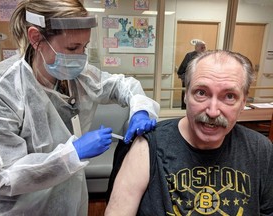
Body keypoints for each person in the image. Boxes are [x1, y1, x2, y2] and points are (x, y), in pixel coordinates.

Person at [0, 0, 160, 215]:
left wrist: (140, 109)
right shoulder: (0, 90)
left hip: (69, 201)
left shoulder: (77, 76)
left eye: (84, 47)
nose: (80, 57)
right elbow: (2, 176)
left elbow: (122, 86)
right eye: (72, 48)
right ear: (35, 38)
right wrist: (72, 154)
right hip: (21, 210)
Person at [105, 50, 273, 215]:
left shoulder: (260, 150)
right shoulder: (148, 146)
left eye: (229, 96)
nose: (213, 111)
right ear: (186, 95)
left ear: (243, 101)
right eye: (201, 93)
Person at [177, 40, 206, 109]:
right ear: (196, 48)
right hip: (189, 80)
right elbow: (181, 71)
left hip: (202, 82)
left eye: (204, 47)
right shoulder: (189, 55)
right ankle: (184, 110)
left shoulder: (207, 57)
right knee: (187, 97)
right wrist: (185, 79)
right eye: (202, 47)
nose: (204, 49)